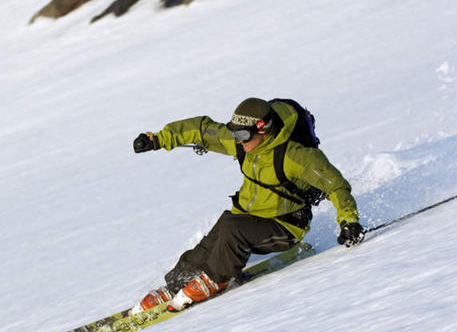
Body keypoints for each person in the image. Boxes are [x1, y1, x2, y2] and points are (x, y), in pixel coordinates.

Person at [131, 97, 364, 313]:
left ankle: (216, 277)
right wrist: (159, 139)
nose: (239, 141)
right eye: (235, 134)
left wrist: (349, 221)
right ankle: (176, 284)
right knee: (221, 230)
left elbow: (336, 185)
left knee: (233, 230)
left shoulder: (295, 156)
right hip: (246, 220)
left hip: (284, 227)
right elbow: (203, 129)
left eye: (243, 135)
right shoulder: (241, 143)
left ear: (263, 129)